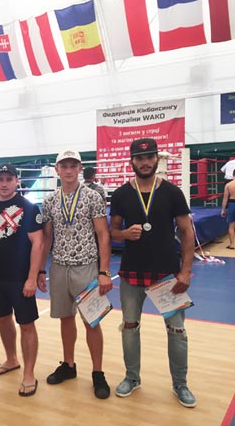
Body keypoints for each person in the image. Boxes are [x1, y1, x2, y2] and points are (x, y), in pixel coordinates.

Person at [110, 138, 196, 407]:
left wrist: (185, 271)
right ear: (132, 161)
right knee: (129, 328)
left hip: (167, 275)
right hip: (131, 273)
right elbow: (113, 231)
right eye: (140, 158)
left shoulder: (172, 192)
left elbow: (187, 232)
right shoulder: (121, 194)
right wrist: (124, 234)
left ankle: (180, 383)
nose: (145, 162)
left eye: (149, 157)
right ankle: (132, 377)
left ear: (157, 159)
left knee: (177, 330)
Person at [42, 149, 112, 399]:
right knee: (65, 318)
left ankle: (98, 372)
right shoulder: (50, 200)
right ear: (57, 170)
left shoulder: (93, 196)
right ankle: (69, 365)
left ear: (80, 168)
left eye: (73, 165)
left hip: (86, 267)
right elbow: (47, 237)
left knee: (92, 321)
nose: (69, 170)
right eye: (64, 166)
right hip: (59, 267)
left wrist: (104, 271)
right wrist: (40, 268)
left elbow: (103, 234)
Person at [0, 164, 45, 397]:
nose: (4, 183)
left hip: (20, 277)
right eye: (0, 179)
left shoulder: (29, 207)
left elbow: (38, 244)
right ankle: (11, 359)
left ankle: (29, 373)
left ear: (17, 180)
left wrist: (32, 278)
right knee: (3, 319)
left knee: (26, 324)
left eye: (9, 179)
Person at [221, 170, 235, 249]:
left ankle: (232, 244)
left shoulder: (228, 185)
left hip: (232, 204)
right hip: (232, 203)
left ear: (233, 175)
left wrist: (223, 210)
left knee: (231, 225)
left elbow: (225, 198)